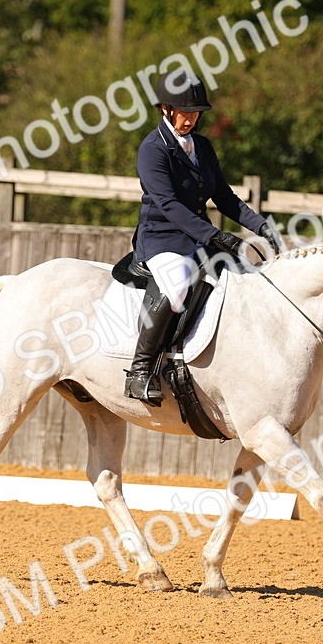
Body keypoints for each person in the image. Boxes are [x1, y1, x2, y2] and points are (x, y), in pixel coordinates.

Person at [125, 69, 281, 405]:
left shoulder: (203, 147)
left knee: (242, 279)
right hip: (162, 238)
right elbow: (167, 204)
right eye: (186, 113)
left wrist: (262, 227)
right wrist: (217, 236)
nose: (191, 120)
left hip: (198, 239)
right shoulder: (153, 149)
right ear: (166, 109)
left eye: (196, 114)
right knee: (178, 283)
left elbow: (224, 197)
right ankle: (140, 371)